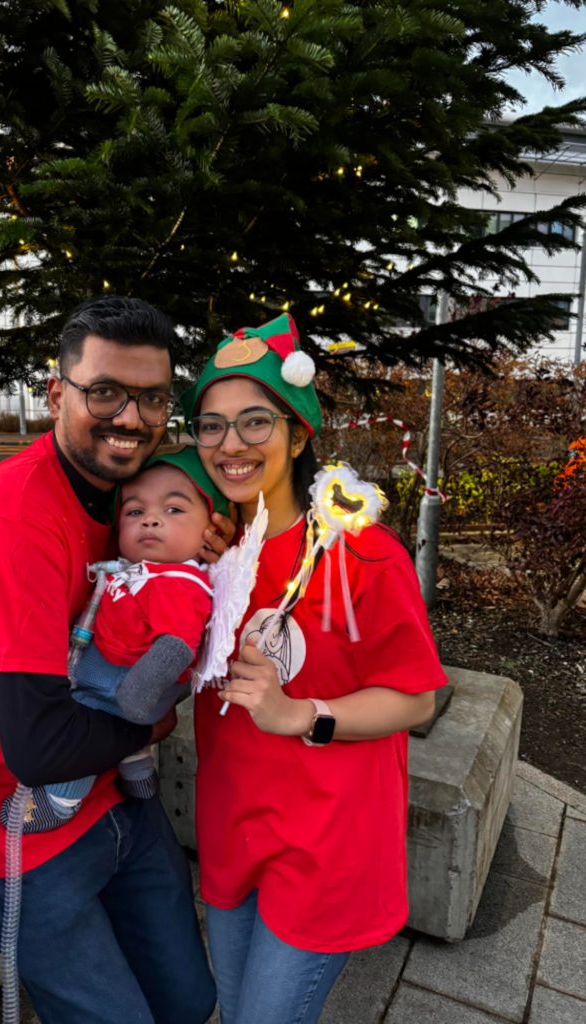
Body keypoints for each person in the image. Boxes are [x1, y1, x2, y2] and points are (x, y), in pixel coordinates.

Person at [0, 296, 226, 1024]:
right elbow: (39, 746)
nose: (130, 417)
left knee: (189, 999)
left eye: (151, 398)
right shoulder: (16, 519)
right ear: (57, 394)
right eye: (105, 392)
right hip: (20, 822)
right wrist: (154, 728)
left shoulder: (126, 494)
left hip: (114, 797)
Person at [180, 313, 447, 1024]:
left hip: (324, 848)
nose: (230, 444)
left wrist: (303, 715)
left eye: (254, 422)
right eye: (210, 425)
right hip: (234, 833)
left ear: (298, 434)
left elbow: (418, 699)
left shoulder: (361, 552)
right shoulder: (211, 550)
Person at [6, 446, 229, 832]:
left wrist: (136, 698)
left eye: (173, 510)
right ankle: (137, 771)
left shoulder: (181, 585)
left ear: (209, 529)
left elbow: (176, 644)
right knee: (114, 725)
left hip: (121, 684)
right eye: (135, 512)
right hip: (111, 666)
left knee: (88, 718)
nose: (151, 521)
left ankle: (63, 799)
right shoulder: (146, 570)